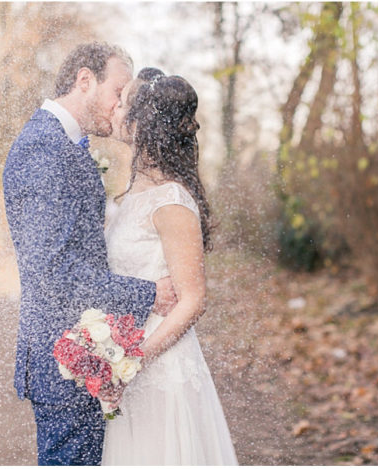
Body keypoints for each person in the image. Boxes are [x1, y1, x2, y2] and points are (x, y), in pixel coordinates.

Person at [2, 43, 177, 466]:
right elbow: (54, 273)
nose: (124, 105)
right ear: (85, 80)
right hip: (63, 363)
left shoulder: (64, 146)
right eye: (119, 91)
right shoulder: (44, 150)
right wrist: (147, 294)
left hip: (85, 356)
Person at [101, 70, 238, 465]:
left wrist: (135, 359)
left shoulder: (172, 200)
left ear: (142, 122)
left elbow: (193, 301)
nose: (117, 107)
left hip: (160, 368)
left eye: (124, 102)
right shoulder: (129, 197)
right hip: (126, 359)